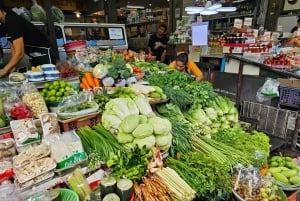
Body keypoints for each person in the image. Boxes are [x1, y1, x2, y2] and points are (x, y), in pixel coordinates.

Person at [0, 4, 57, 78]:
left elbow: (20, 53)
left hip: (45, 54)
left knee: (49, 81)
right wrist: (12, 67)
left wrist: (4, 70)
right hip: (34, 56)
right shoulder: (4, 24)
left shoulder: (11, 20)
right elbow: (13, 47)